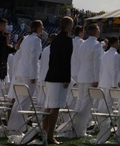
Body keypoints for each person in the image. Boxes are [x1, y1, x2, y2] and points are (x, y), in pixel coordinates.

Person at [43, 16, 74, 144]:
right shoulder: (67, 39)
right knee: (55, 107)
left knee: (49, 106)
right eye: (71, 24)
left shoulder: (55, 39)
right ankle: (50, 136)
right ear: (68, 25)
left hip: (51, 75)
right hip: (60, 77)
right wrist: (66, 78)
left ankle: (45, 132)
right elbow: (66, 60)